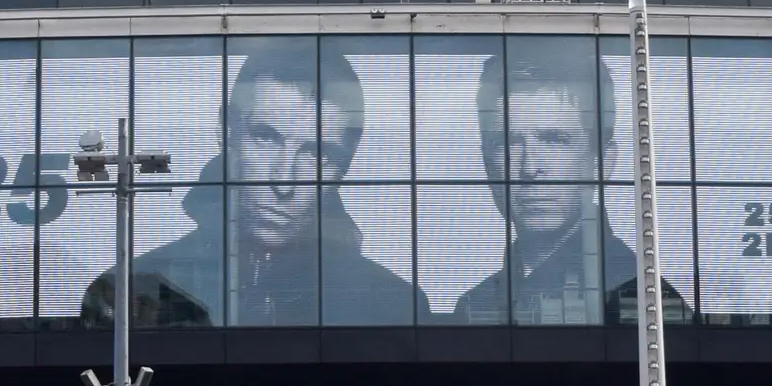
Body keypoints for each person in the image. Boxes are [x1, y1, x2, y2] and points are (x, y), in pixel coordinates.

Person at [80, 44, 424, 327]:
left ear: (345, 164)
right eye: (265, 137)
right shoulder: (129, 293)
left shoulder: (394, 305)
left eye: (318, 154)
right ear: (225, 130)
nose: (283, 179)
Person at [443, 45, 691, 326]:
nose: (530, 168)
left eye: (554, 140)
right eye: (507, 143)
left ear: (603, 162)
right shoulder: (474, 306)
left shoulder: (644, 301)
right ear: (487, 164)